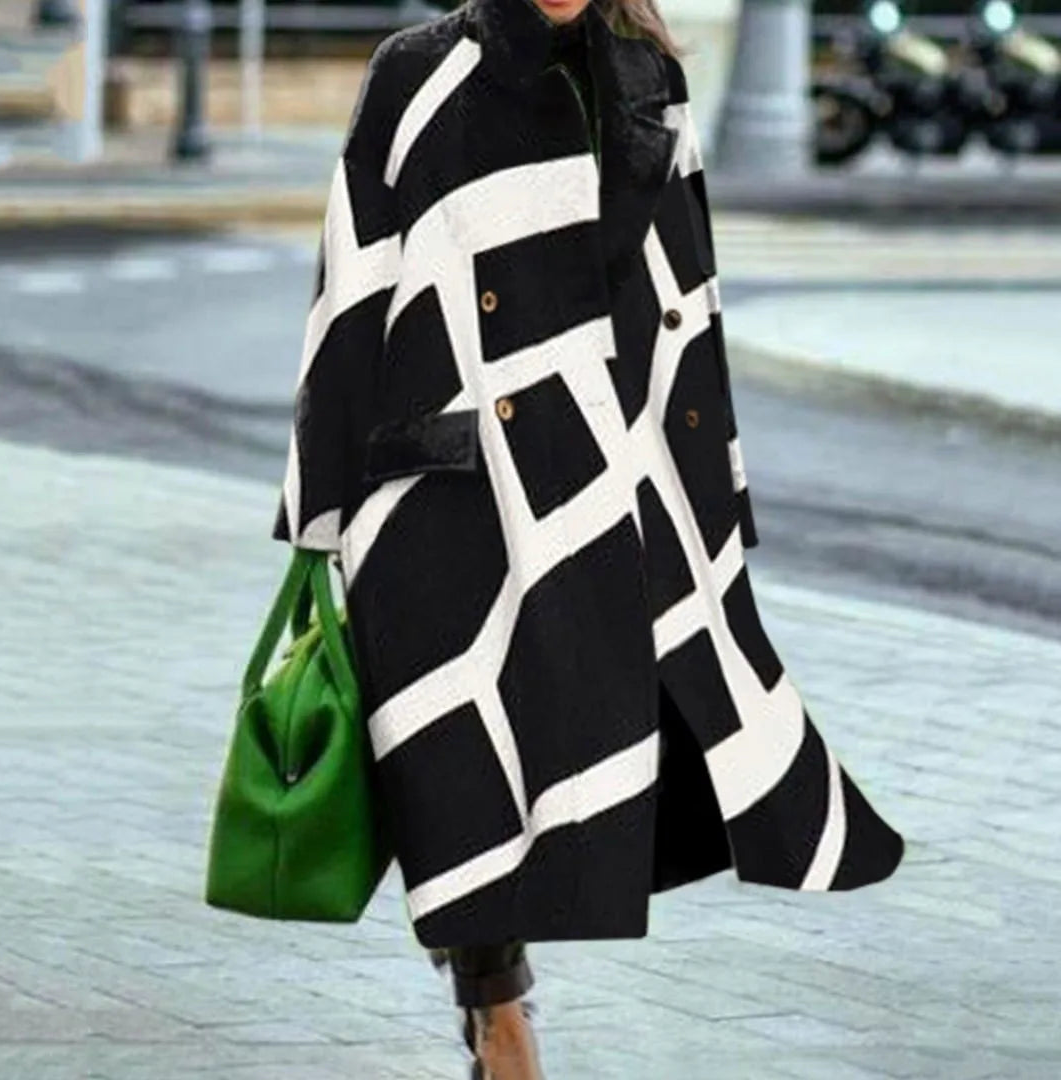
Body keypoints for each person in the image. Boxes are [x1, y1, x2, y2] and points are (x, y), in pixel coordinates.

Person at [271, 0, 906, 1076]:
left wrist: (718, 495)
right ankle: (496, 1004)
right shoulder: (418, 72)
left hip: (606, 471)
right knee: (459, 766)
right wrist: (320, 519)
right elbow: (353, 284)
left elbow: (688, 295)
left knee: (579, 744)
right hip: (449, 480)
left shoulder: (650, 75)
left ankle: (499, 993)